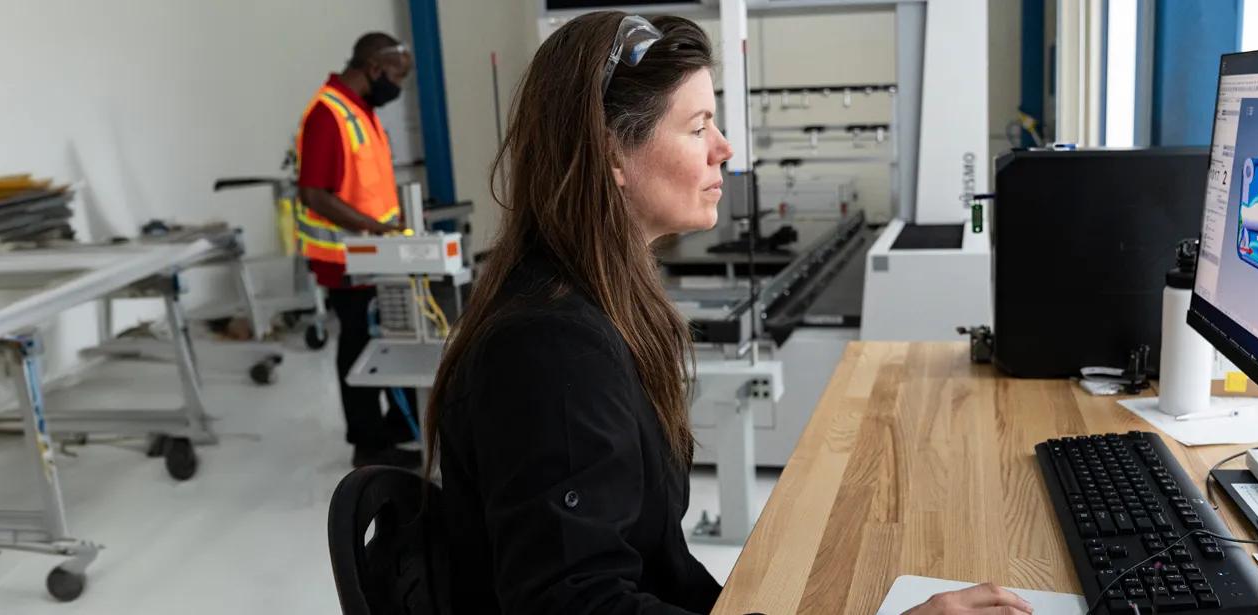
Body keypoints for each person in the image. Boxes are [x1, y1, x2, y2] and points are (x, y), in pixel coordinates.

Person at [422, 12, 1035, 615]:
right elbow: (576, 601)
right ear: (612, 154)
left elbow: (659, 567)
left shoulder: (600, 305)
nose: (724, 148)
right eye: (698, 127)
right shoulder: (551, 348)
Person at [294, 32, 421, 469]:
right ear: (373, 68)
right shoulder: (329, 114)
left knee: (385, 340)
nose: (397, 86)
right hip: (344, 257)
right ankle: (368, 444)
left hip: (372, 252)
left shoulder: (359, 110)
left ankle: (397, 425)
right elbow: (314, 193)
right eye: (396, 76)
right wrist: (374, 228)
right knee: (360, 347)